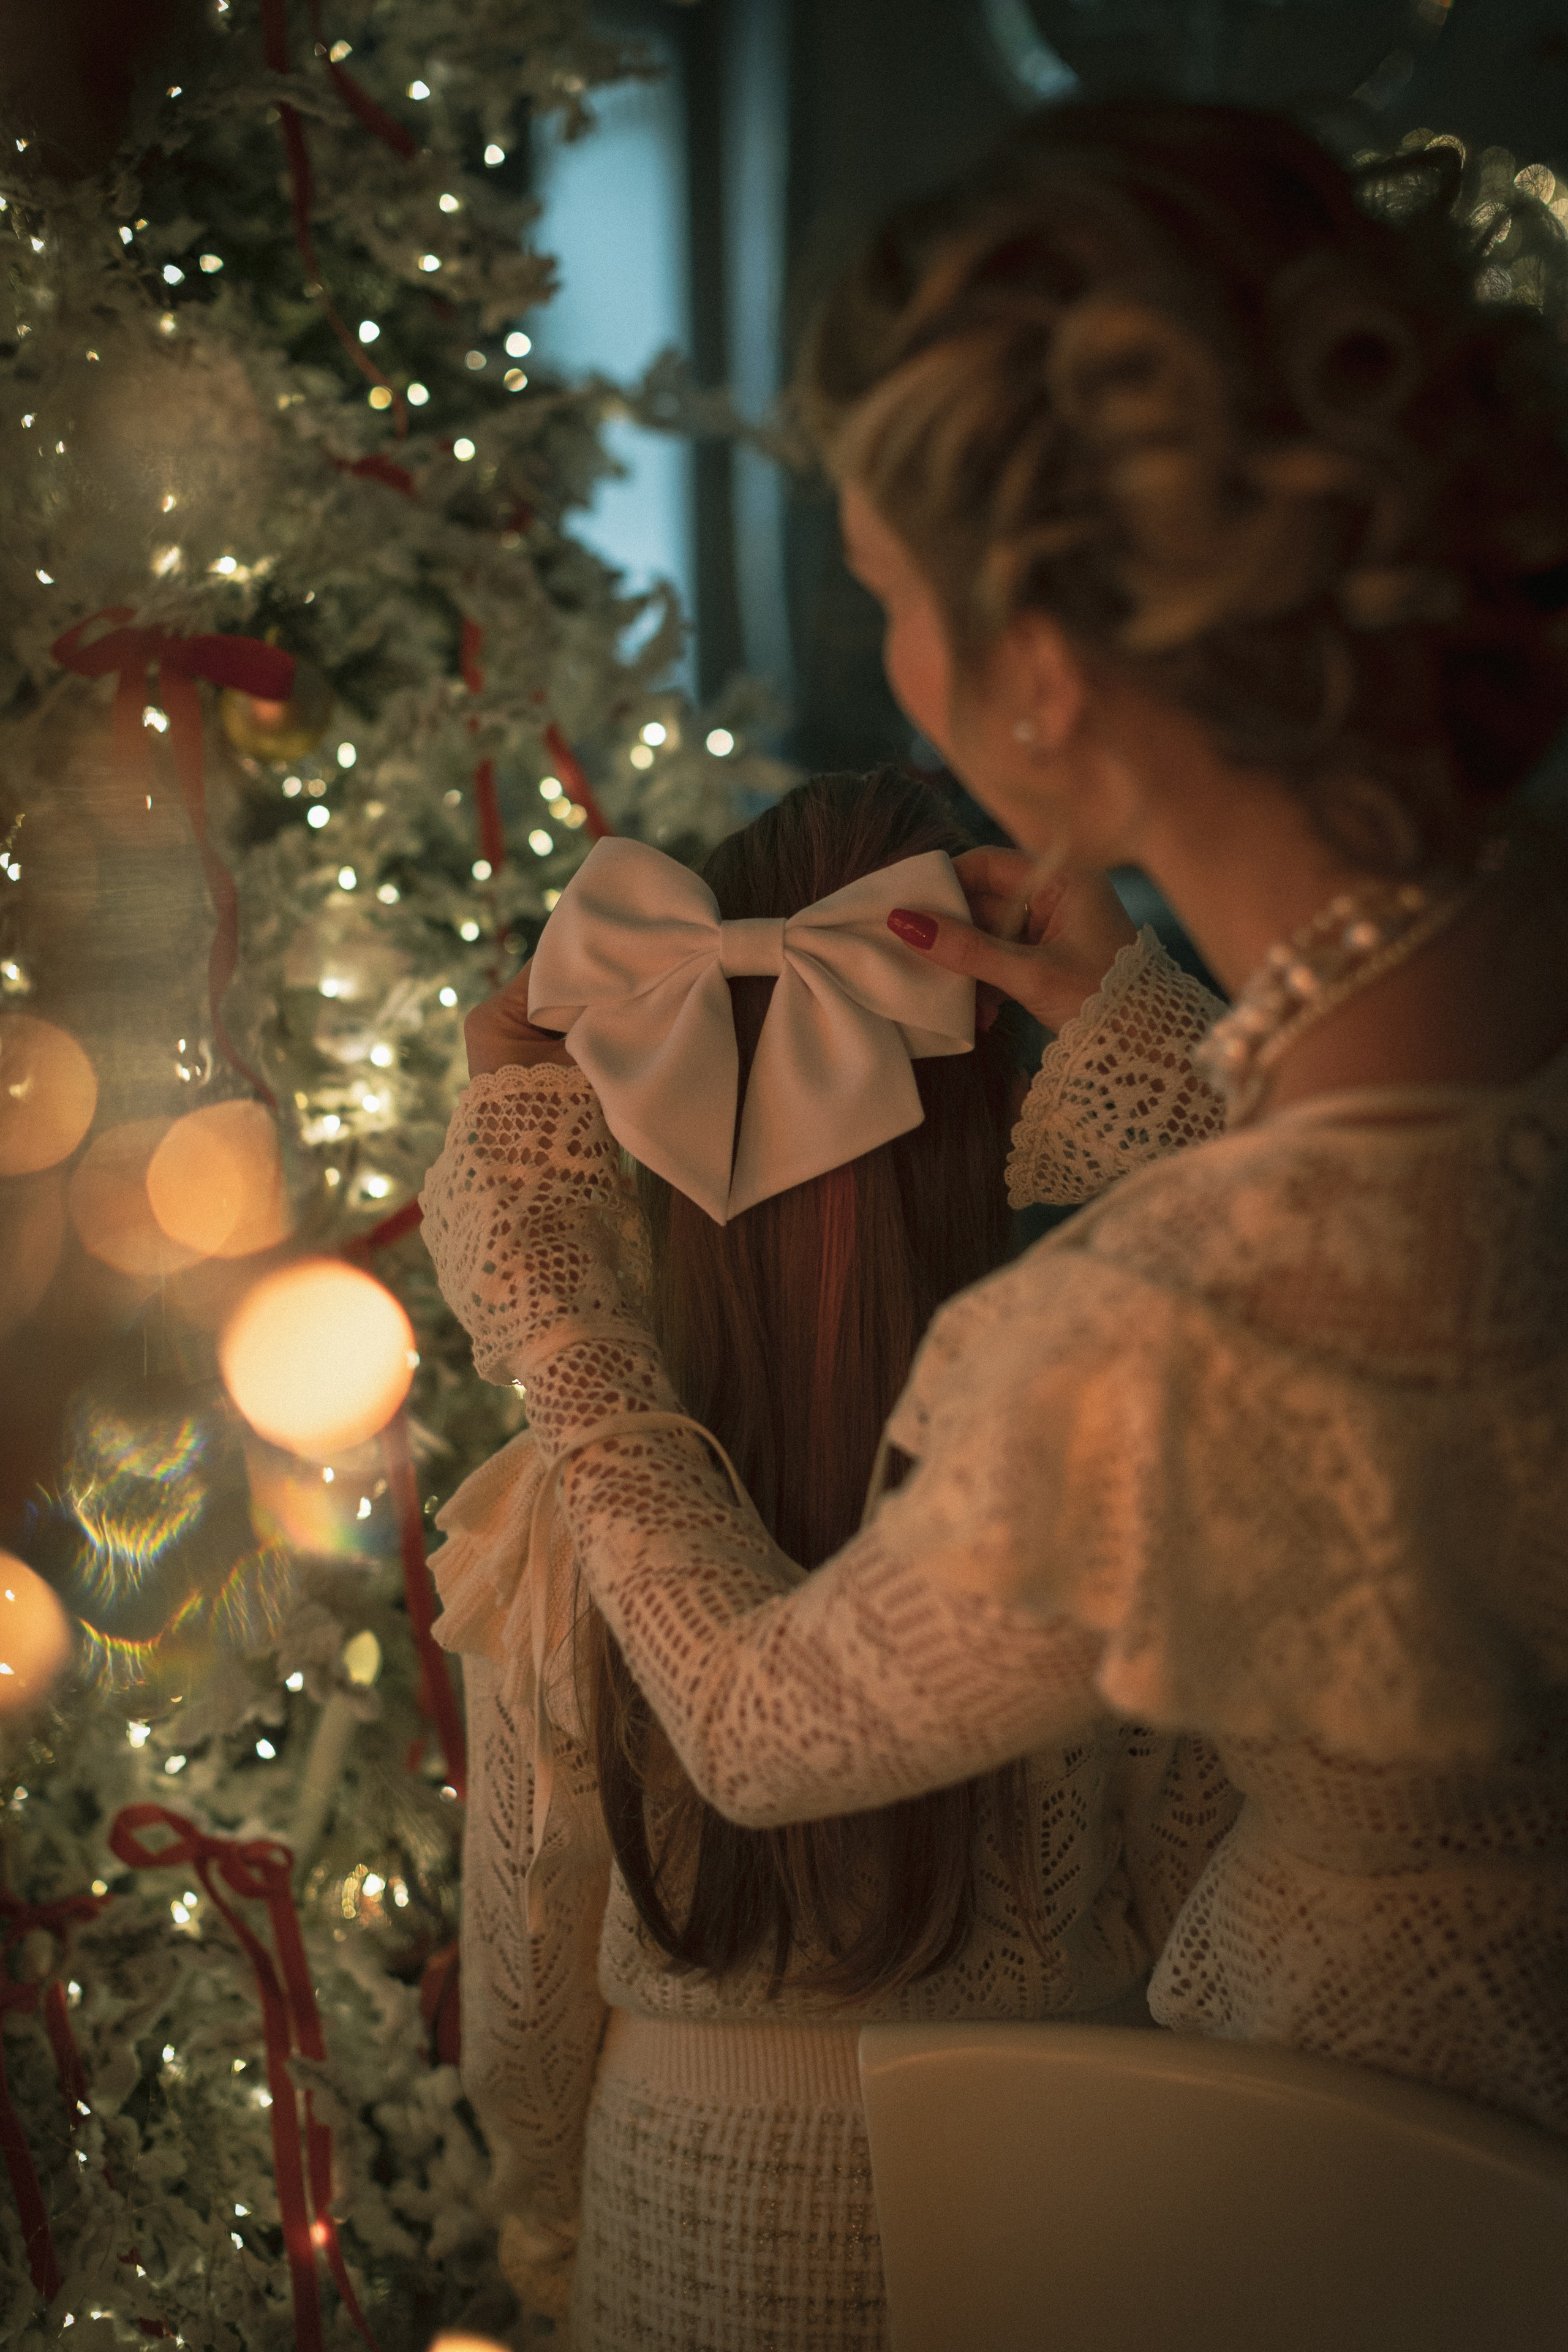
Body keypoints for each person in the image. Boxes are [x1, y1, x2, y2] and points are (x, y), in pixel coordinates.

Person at [425, 100, 1568, 2140]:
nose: (895, 659)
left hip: (1395, 2185)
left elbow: (761, 1727)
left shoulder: (1153, 1344)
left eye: (887, 592)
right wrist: (1162, 1055)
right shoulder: (1487, 1046)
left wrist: (550, 1292)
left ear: (1038, 678)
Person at [428, 768, 1236, 2350]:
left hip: (681, 2212)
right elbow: (1203, 1883)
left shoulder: (573, 1502)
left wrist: (548, 2228)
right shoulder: (1133, 1470)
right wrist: (1174, 1071)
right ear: (1007, 1092)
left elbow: (527, 1972)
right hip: (1080, 2184)